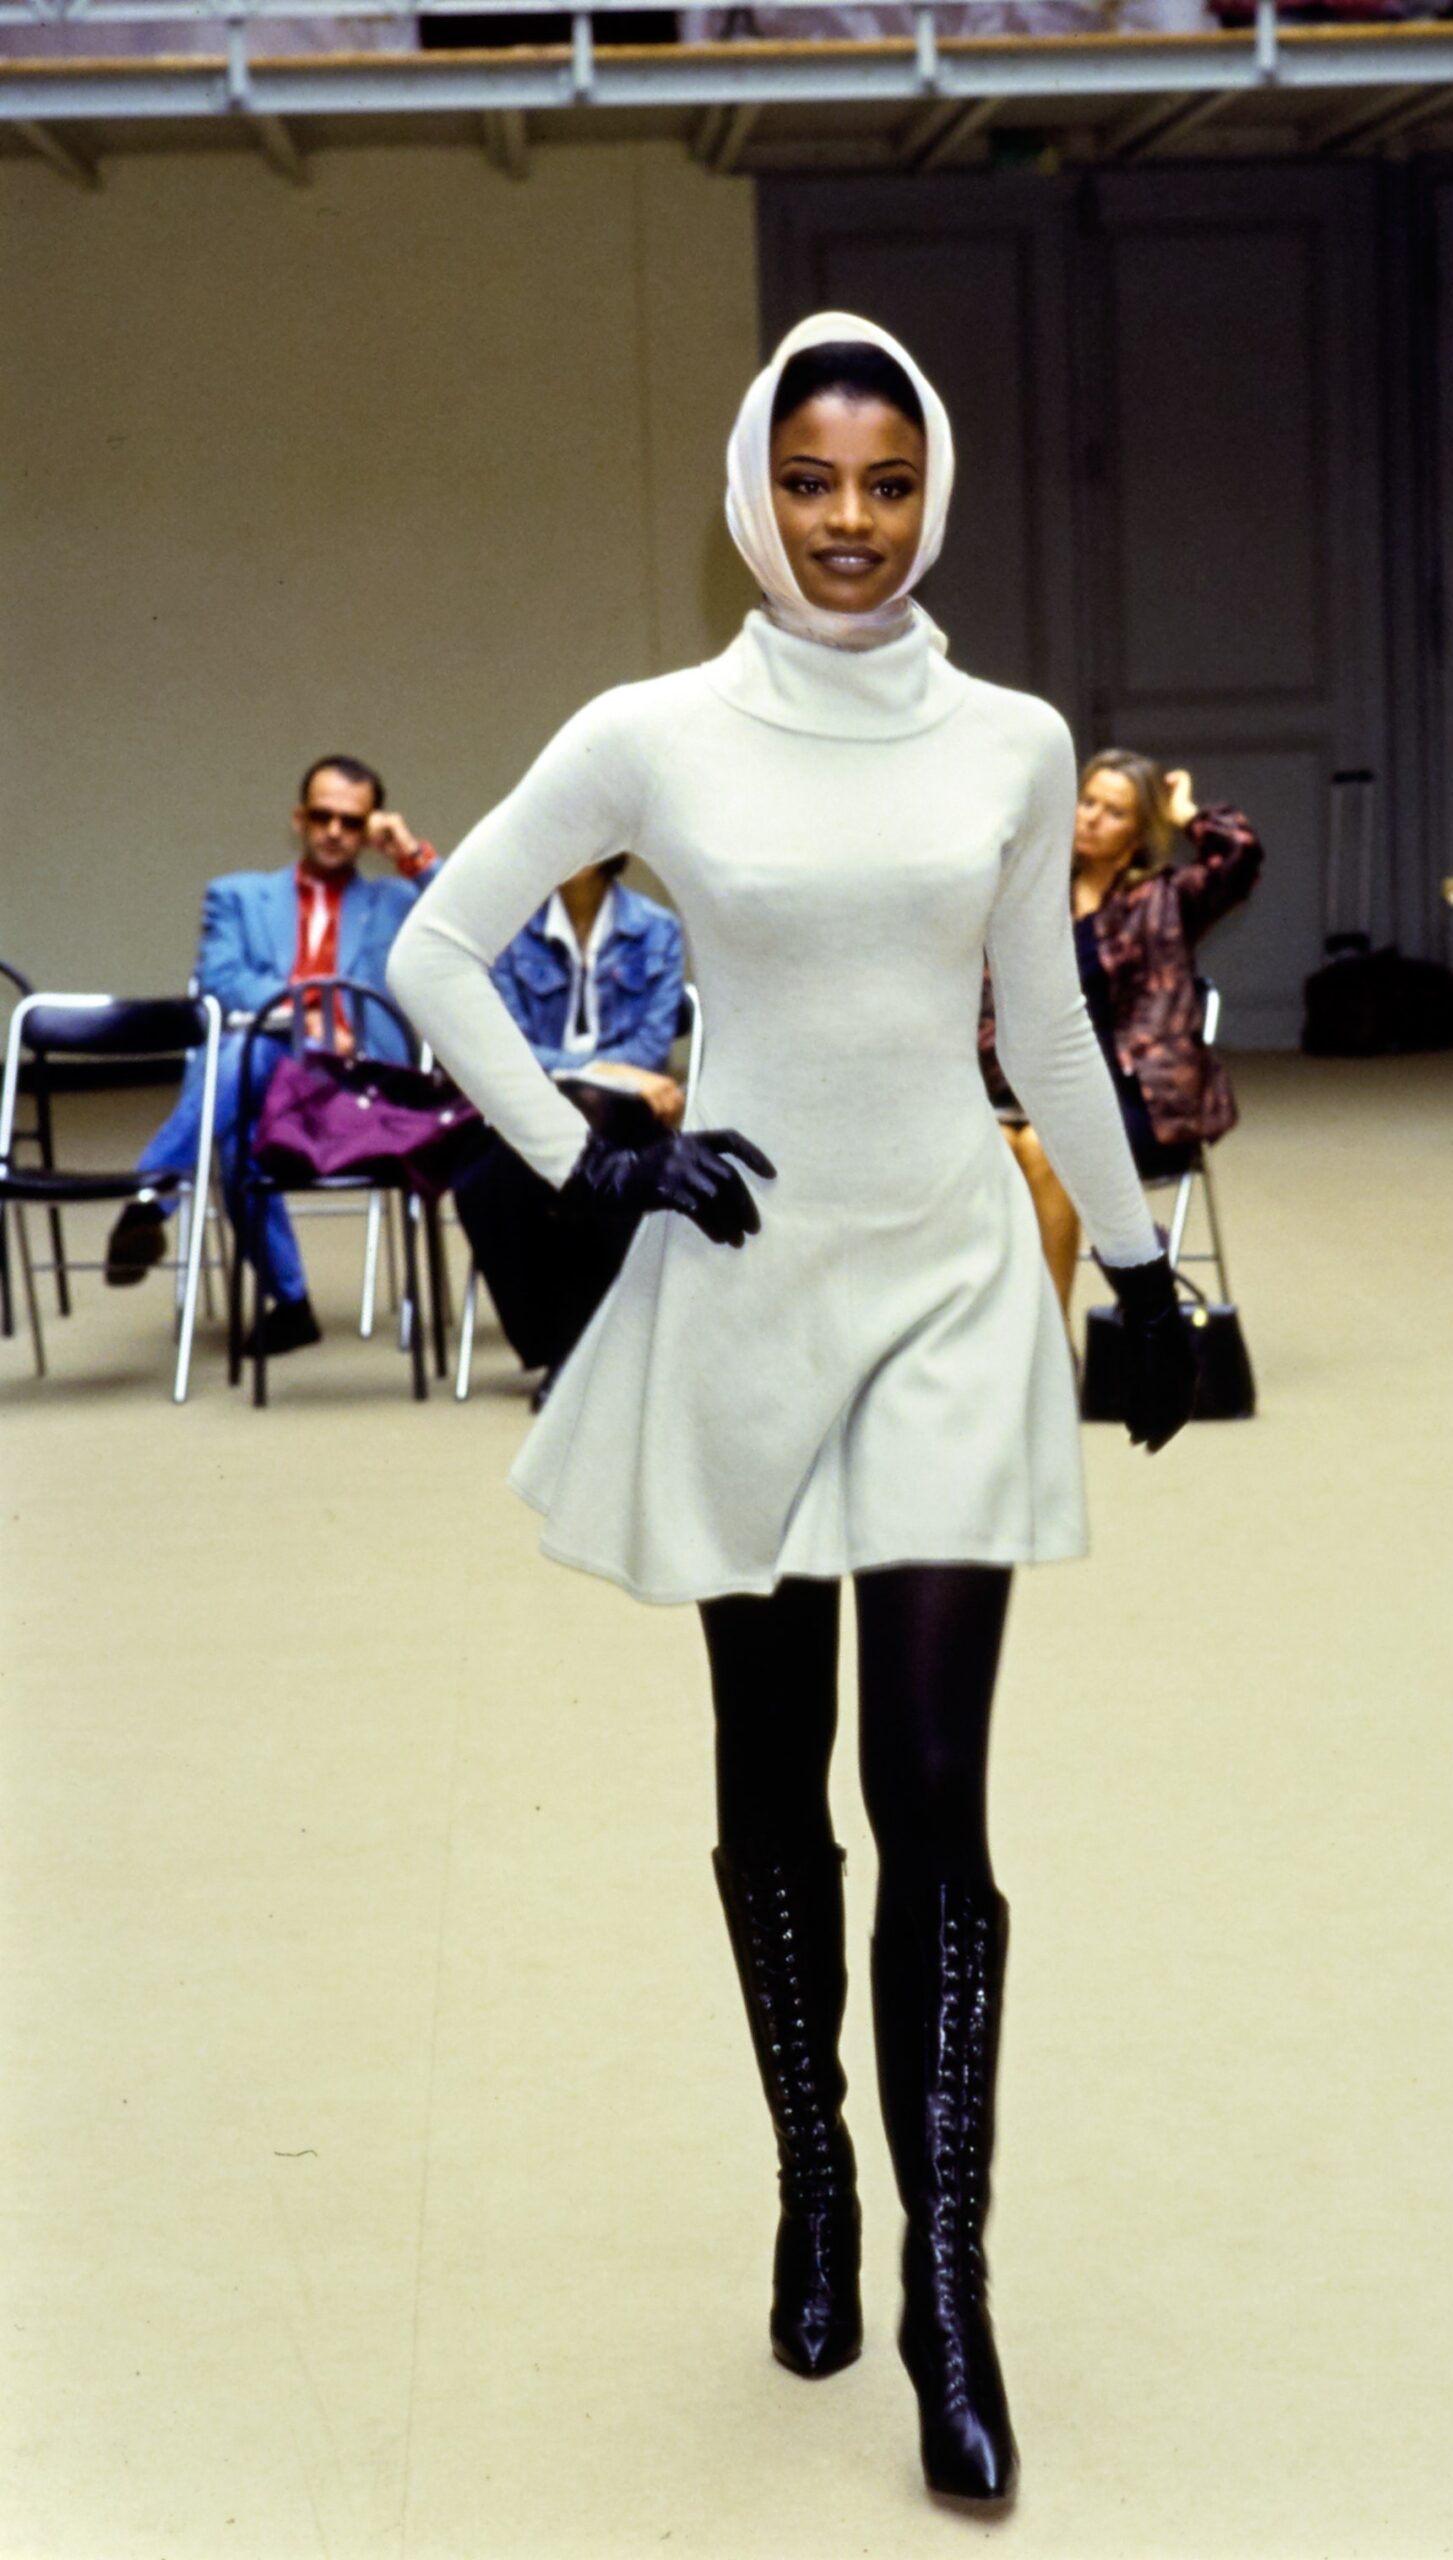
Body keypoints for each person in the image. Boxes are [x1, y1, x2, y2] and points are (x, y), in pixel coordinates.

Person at [388, 313, 1196, 2508]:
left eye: (889, 483)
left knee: (934, 1791)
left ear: (930, 493)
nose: (852, 525)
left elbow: (1035, 1012)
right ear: (755, 486)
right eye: (816, 482)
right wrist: (590, 1150)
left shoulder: (1012, 739)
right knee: (773, 1782)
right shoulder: (653, 732)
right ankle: (811, 2177)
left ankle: (949, 2282)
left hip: (945, 1271)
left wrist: (1136, 1272)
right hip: (742, 1281)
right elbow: (434, 952)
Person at [104, 755, 437, 1353]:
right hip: (266, 1076)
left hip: (355, 1089)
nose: (335, 831)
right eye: (322, 816)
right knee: (241, 1108)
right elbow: (221, 979)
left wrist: (411, 853)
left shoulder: (394, 902)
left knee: (238, 1063)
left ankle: (153, 1196)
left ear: (369, 830)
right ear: (298, 818)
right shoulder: (238, 896)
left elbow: (473, 924)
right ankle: (293, 1308)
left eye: (352, 822)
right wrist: (305, 1021)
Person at [981, 748, 1264, 1314]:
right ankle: (1021, 1329)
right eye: (1086, 801)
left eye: (1113, 812)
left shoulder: (1166, 899)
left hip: (1141, 1098)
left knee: (1042, 1145)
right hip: (1034, 1089)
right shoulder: (1034, 894)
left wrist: (1186, 812)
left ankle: (1052, 1335)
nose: (1090, 817)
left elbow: (1239, 855)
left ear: (1141, 831)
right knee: (1002, 1142)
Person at [452, 857, 687, 1379]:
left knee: (596, 1158)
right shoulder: (511, 931)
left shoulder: (656, 928)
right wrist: (593, 1069)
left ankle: (578, 1358)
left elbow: (651, 1047)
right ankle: (567, 1348)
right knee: (484, 1184)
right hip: (531, 1104)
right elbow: (509, 1043)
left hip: (627, 1110)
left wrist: (603, 1079)